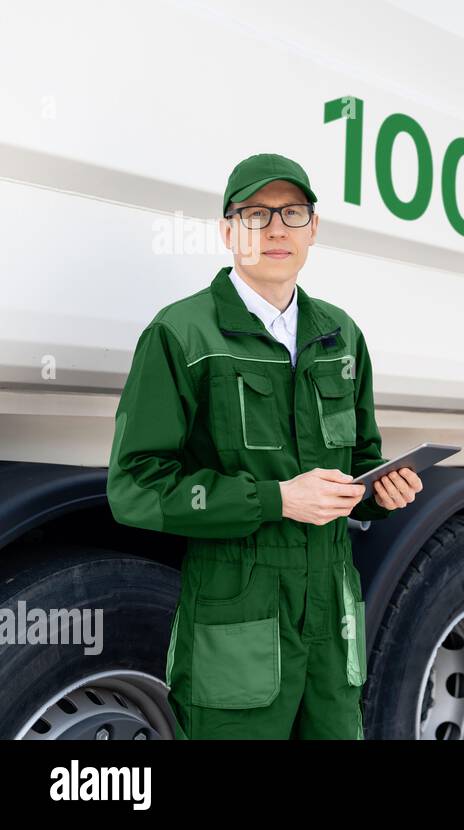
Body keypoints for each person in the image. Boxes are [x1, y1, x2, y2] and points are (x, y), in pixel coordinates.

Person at [107, 153, 422, 739]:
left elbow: (359, 462)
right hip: (237, 609)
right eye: (256, 214)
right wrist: (276, 500)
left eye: (293, 213)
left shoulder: (340, 334)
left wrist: (382, 489)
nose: (276, 228)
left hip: (331, 609)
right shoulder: (182, 334)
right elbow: (136, 489)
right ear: (228, 231)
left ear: (314, 229)